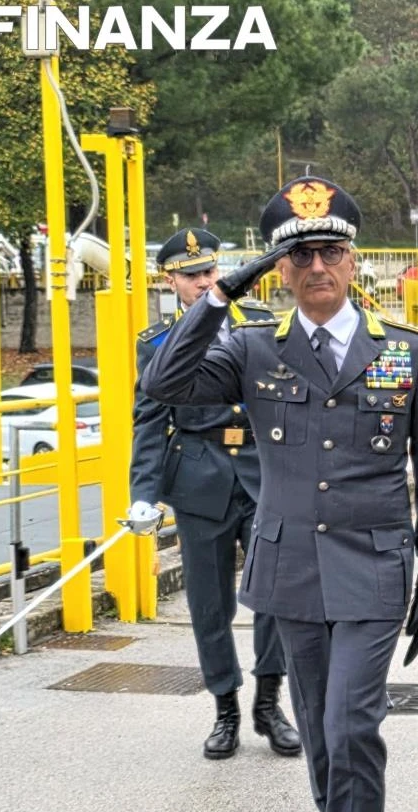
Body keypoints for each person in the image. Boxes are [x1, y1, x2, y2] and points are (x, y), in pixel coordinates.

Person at [142, 177, 418, 812]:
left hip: (374, 569)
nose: (317, 265)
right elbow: (165, 387)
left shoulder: (407, 351)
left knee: (352, 731)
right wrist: (221, 294)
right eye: (300, 254)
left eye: (330, 251)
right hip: (290, 572)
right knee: (322, 747)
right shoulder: (251, 346)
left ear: (353, 261)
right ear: (281, 269)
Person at [128, 228, 298, 761]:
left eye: (209, 272)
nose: (204, 282)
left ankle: (270, 702)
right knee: (209, 604)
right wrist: (143, 493)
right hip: (200, 477)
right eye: (191, 275)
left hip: (264, 470)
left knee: (276, 593)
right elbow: (150, 419)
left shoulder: (266, 327)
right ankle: (225, 707)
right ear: (170, 280)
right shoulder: (157, 343)